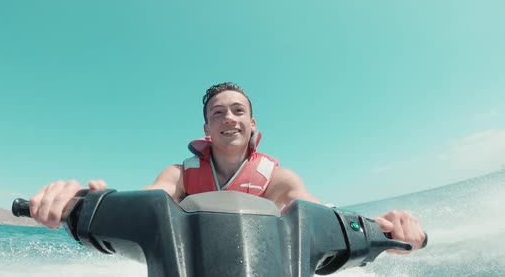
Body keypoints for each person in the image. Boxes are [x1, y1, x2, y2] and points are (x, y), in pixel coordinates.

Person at [29, 82, 426, 253]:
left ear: (252, 124)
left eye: (239, 111)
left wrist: (391, 234)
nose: (229, 118)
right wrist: (88, 206)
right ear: (207, 128)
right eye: (218, 113)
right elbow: (151, 200)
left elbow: (319, 214)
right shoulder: (179, 174)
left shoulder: (278, 179)